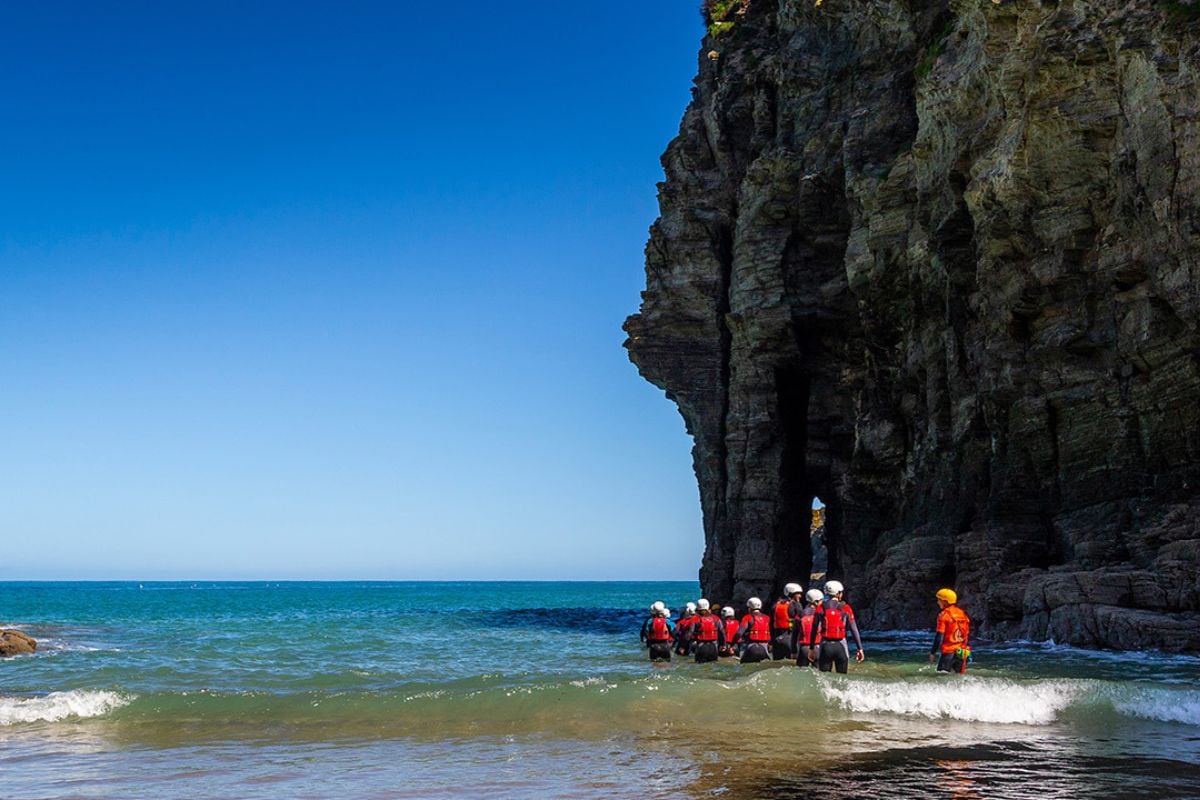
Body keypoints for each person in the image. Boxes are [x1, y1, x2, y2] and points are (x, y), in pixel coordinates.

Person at [806, 580, 865, 673]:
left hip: (825, 646)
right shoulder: (846, 608)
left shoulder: (820, 608)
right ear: (838, 593)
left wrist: (811, 648)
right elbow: (854, 630)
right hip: (841, 646)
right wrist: (860, 648)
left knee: (824, 678)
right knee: (842, 678)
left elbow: (814, 629)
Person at [930, 588, 971, 673]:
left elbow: (939, 637)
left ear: (945, 601)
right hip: (961, 652)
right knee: (958, 677)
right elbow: (966, 634)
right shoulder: (962, 614)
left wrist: (933, 653)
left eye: (939, 600)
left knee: (941, 677)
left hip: (948, 652)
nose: (937, 602)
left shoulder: (944, 615)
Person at [793, 588, 824, 666]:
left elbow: (794, 634)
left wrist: (793, 651)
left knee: (801, 672)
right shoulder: (821, 613)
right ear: (816, 601)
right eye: (821, 600)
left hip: (803, 648)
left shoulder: (800, 614)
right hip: (817, 647)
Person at [737, 597, 773, 663]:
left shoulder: (747, 617)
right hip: (764, 649)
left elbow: (739, 633)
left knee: (742, 663)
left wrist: (732, 644)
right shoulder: (767, 618)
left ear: (749, 608)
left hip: (751, 647)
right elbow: (772, 632)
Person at [773, 583, 802, 660]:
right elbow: (802, 621)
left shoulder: (776, 605)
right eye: (797, 594)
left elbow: (771, 624)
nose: (800, 596)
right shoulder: (796, 605)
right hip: (790, 639)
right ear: (791, 594)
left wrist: (770, 642)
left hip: (777, 640)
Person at [691, 598, 725, 663]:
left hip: (701, 646)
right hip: (713, 647)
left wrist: (683, 645)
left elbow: (690, 632)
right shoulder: (716, 618)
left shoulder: (695, 619)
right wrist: (723, 644)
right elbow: (722, 632)